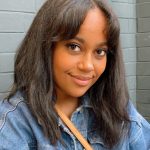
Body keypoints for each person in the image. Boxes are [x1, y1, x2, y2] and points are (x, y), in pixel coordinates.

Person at [0, 0, 150, 149]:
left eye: (100, 51)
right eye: (74, 47)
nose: (88, 66)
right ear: (45, 47)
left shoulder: (117, 106)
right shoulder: (15, 121)